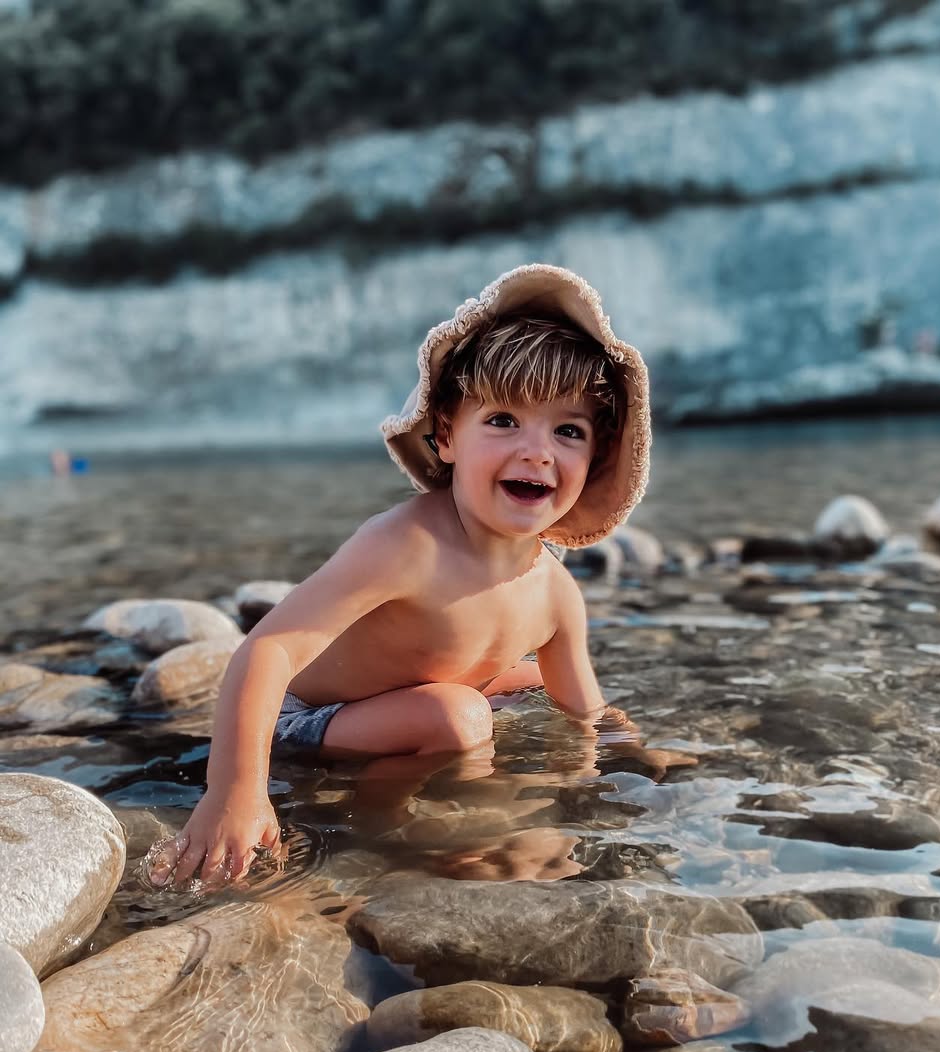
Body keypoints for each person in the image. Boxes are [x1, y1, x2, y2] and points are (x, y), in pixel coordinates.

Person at [149, 263, 651, 889]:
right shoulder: (408, 544)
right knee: (459, 717)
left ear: (593, 459)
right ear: (445, 436)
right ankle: (381, 833)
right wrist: (234, 791)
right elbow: (269, 649)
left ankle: (433, 791)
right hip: (304, 719)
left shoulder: (554, 591)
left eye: (568, 430)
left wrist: (637, 769)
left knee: (541, 690)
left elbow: (588, 715)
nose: (537, 451)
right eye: (502, 420)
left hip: (409, 700)